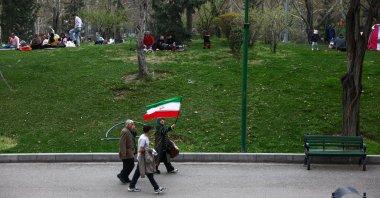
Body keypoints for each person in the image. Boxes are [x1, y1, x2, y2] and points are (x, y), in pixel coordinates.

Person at [128, 125, 166, 194]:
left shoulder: (144, 136)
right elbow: (140, 149)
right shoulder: (143, 138)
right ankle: (156, 188)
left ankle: (131, 186)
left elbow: (143, 148)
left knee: (138, 173)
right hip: (143, 158)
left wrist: (149, 149)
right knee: (149, 173)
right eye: (151, 130)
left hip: (142, 158)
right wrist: (150, 150)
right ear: (148, 131)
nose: (152, 131)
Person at [117, 119, 137, 184]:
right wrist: (123, 153)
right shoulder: (124, 131)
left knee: (129, 165)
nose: (133, 125)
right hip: (126, 152)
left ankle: (125, 177)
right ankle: (122, 176)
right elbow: (122, 143)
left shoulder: (129, 130)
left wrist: (133, 130)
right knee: (129, 165)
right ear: (128, 124)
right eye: (132, 124)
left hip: (130, 151)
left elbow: (133, 137)